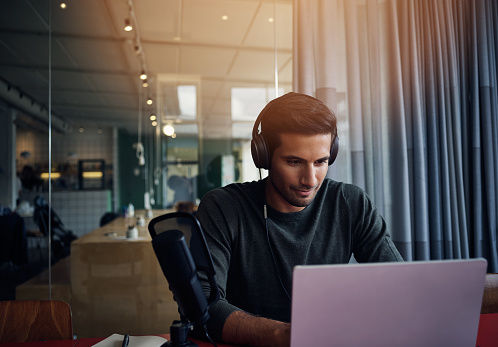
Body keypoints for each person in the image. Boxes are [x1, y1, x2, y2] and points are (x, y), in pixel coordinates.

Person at [195, 92, 403, 347]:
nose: (311, 179)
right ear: (264, 156)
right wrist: (288, 336)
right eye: (294, 162)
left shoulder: (350, 203)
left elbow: (399, 286)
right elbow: (203, 307)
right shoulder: (224, 207)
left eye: (321, 162)